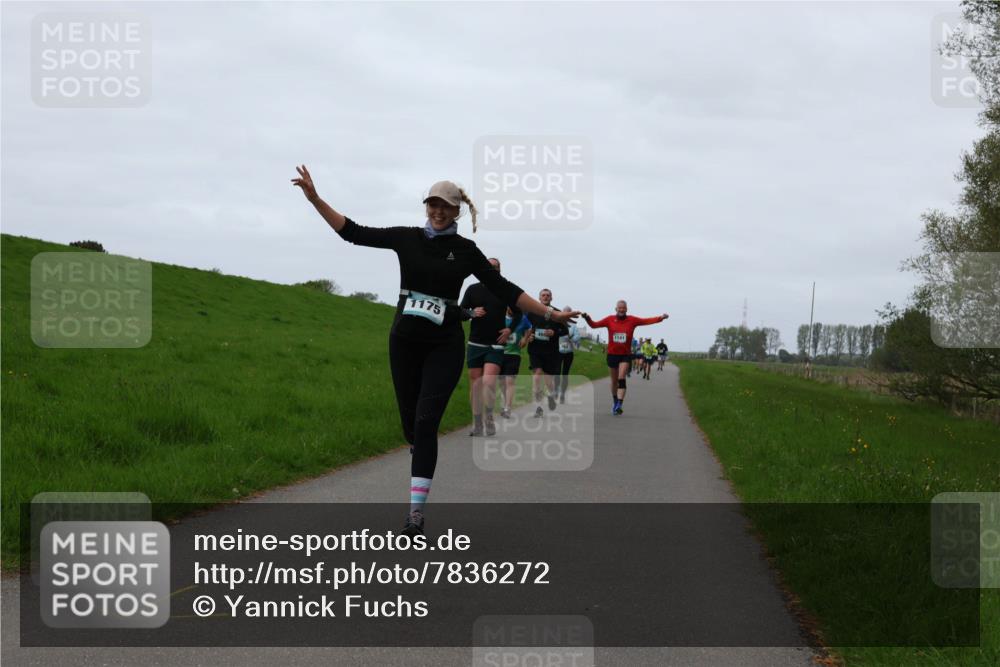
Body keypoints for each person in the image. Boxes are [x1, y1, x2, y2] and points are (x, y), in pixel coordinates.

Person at [292, 167, 578, 536]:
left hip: (444, 345)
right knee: (411, 425)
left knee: (427, 424)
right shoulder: (407, 238)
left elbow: (507, 289)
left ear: (457, 211)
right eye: (433, 204)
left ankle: (415, 514)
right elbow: (354, 233)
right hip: (404, 342)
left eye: (445, 206)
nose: (438, 211)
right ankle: (418, 445)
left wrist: (551, 314)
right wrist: (315, 199)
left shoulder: (466, 251)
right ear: (426, 206)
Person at [460, 258, 520, 437]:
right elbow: (461, 311)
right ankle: (477, 422)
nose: (492, 269)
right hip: (475, 342)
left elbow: (519, 313)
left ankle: (488, 416)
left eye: (496, 267)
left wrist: (510, 329)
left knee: (489, 382)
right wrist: (471, 312)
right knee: (476, 384)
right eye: (489, 266)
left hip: (496, 343)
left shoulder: (504, 289)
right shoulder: (473, 289)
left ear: (500, 270)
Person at [582, 301, 668, 415]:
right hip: (612, 354)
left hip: (625, 355)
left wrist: (660, 318)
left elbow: (646, 321)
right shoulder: (609, 319)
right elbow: (594, 325)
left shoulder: (632, 320)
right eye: (619, 308)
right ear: (616, 309)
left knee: (621, 378)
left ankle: (619, 404)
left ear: (626, 309)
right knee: (614, 381)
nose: (621, 310)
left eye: (623, 308)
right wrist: (587, 318)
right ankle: (615, 401)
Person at [525, 289, 569, 417]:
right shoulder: (532, 311)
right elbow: (525, 327)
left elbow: (565, 331)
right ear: (539, 298)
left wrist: (554, 333)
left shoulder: (557, 313)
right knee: (537, 376)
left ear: (551, 298)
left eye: (548, 295)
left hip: (551, 351)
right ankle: (538, 407)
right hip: (535, 349)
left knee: (549, 382)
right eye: (543, 295)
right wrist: (528, 337)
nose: (545, 297)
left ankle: (551, 395)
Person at [499, 308, 531, 419]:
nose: (513, 309)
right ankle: (504, 403)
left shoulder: (522, 318)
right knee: (502, 383)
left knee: (510, 382)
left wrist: (525, 339)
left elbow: (529, 328)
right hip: (499, 353)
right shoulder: (500, 316)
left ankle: (507, 408)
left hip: (514, 354)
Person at [557, 306, 581, 403]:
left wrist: (571, 339)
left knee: (565, 374)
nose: (566, 314)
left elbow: (577, 336)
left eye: (568, 312)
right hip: (558, 352)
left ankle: (562, 394)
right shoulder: (558, 323)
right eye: (565, 312)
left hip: (568, 353)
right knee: (556, 372)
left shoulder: (573, 326)